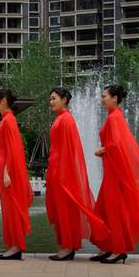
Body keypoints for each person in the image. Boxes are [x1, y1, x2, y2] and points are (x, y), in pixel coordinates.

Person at [91, 85, 139, 264]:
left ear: (115, 98)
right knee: (104, 209)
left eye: (104, 96)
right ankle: (109, 246)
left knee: (114, 210)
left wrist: (102, 150)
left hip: (114, 173)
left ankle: (119, 249)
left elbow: (116, 145)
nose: (102, 99)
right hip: (112, 171)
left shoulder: (114, 118)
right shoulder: (114, 116)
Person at [45, 87, 108, 261]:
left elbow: (70, 151)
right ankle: (66, 245)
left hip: (61, 174)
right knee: (60, 211)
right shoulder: (61, 119)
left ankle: (68, 247)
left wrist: (63, 175)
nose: (51, 102)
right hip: (56, 171)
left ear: (64, 100)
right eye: (50, 99)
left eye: (54, 98)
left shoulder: (66, 120)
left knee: (65, 210)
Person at [0, 89, 33, 260]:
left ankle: (16, 247)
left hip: (7, 172)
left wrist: (7, 172)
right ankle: (12, 245)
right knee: (8, 208)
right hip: (3, 170)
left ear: (3, 101)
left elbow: (13, 148)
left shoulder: (9, 120)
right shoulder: (6, 119)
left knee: (12, 208)